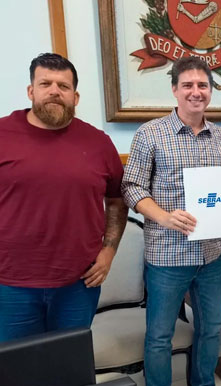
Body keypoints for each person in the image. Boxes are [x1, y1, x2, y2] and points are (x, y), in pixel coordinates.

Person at [121, 56, 221, 386]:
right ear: (175, 90)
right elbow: (131, 187)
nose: (195, 92)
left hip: (212, 256)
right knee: (160, 337)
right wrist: (164, 216)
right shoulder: (150, 134)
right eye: (187, 85)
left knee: (209, 330)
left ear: (211, 91)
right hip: (167, 257)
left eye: (202, 85)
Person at [0, 53, 128, 342]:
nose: (54, 91)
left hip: (78, 284)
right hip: (10, 285)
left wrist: (109, 251)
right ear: (31, 91)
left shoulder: (98, 143)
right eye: (45, 83)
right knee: (17, 372)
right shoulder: (2, 134)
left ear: (76, 96)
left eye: (63, 86)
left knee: (69, 368)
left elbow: (118, 201)